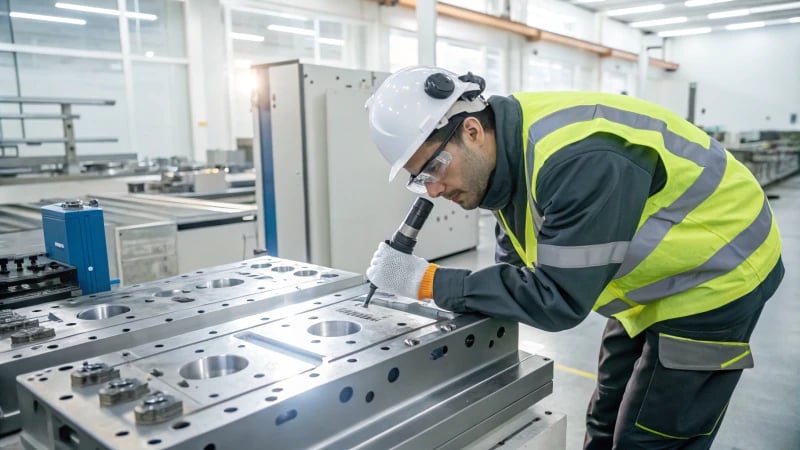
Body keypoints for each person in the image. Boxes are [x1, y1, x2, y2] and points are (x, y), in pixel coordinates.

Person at [364, 66, 784, 450]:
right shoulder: (507, 151)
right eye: (421, 179)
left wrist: (427, 282)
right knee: (606, 417)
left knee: (652, 438)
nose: (434, 190)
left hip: (719, 272)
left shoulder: (577, 159)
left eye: (435, 167)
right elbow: (518, 253)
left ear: (471, 130)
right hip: (647, 286)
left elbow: (559, 298)